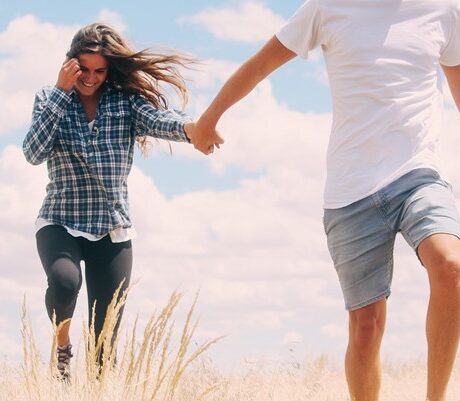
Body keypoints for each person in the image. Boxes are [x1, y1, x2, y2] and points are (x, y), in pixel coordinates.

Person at [188, 1, 460, 400]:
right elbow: (261, 65)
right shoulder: (327, 7)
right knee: (366, 326)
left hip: (418, 175)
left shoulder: (443, 10)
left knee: (451, 265)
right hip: (351, 191)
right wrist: (208, 119)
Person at [22, 23, 214, 380]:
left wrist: (194, 129)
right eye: (83, 69)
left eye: (100, 71)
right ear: (69, 64)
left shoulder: (124, 103)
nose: (91, 78)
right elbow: (33, 152)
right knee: (64, 283)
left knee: (103, 347)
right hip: (60, 219)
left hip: (112, 228)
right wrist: (63, 93)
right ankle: (62, 347)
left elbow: (161, 121)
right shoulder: (49, 99)